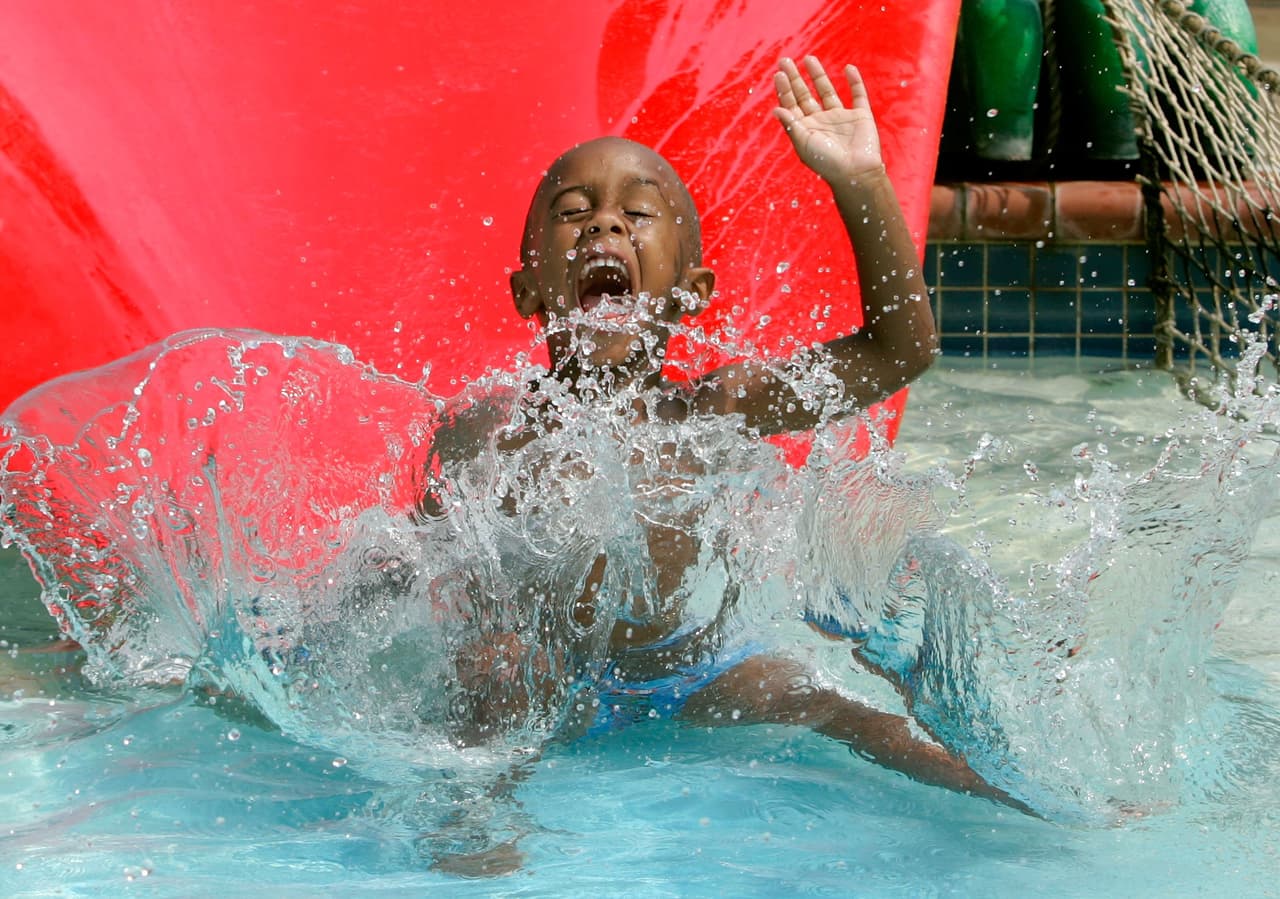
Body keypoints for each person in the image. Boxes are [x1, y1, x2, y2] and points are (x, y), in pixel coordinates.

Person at [420, 56, 1021, 816]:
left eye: (638, 215)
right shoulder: (490, 427)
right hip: (549, 682)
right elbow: (431, 565)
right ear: (529, 287)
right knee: (495, 677)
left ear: (693, 292)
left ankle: (1026, 805)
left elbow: (900, 351)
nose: (606, 222)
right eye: (575, 211)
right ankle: (476, 842)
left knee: (834, 703)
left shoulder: (718, 409)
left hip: (693, 673)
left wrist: (860, 178)